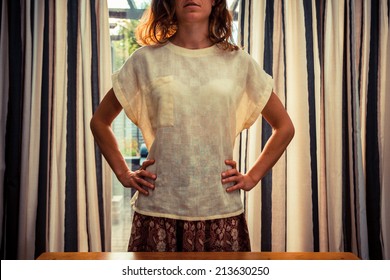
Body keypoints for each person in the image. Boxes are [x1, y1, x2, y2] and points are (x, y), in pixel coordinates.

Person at [90, 0, 294, 252]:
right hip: (159, 208)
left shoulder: (238, 61)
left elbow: (284, 126)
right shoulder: (145, 60)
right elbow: (100, 121)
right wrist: (123, 173)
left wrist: (252, 177)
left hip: (219, 207)